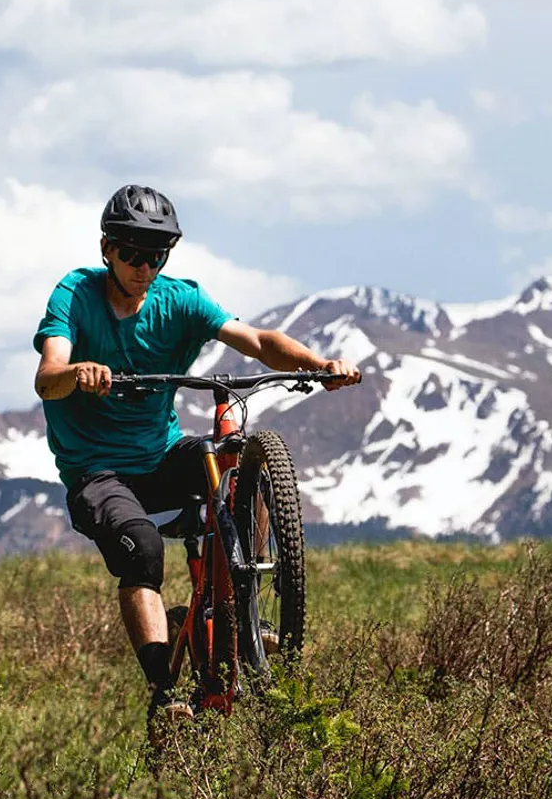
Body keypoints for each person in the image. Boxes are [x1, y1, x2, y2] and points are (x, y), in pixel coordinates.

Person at [32, 185, 360, 726]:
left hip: (160, 456)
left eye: (156, 255)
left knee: (234, 469)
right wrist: (76, 373)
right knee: (142, 551)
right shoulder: (76, 294)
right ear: (107, 249)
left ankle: (246, 610)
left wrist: (319, 365)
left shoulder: (180, 299)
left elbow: (258, 341)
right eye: (132, 254)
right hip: (97, 472)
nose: (144, 267)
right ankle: (164, 691)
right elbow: (48, 377)